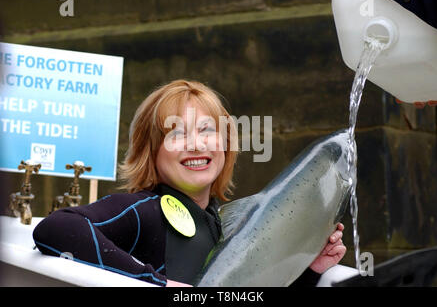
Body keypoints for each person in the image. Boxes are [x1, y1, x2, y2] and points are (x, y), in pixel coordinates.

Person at [32, 80, 346, 287]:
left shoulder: (231, 223)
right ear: (150, 152)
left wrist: (311, 271)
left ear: (224, 144)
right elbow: (55, 228)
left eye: (207, 131)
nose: (196, 145)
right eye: (177, 133)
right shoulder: (143, 209)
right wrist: (155, 282)